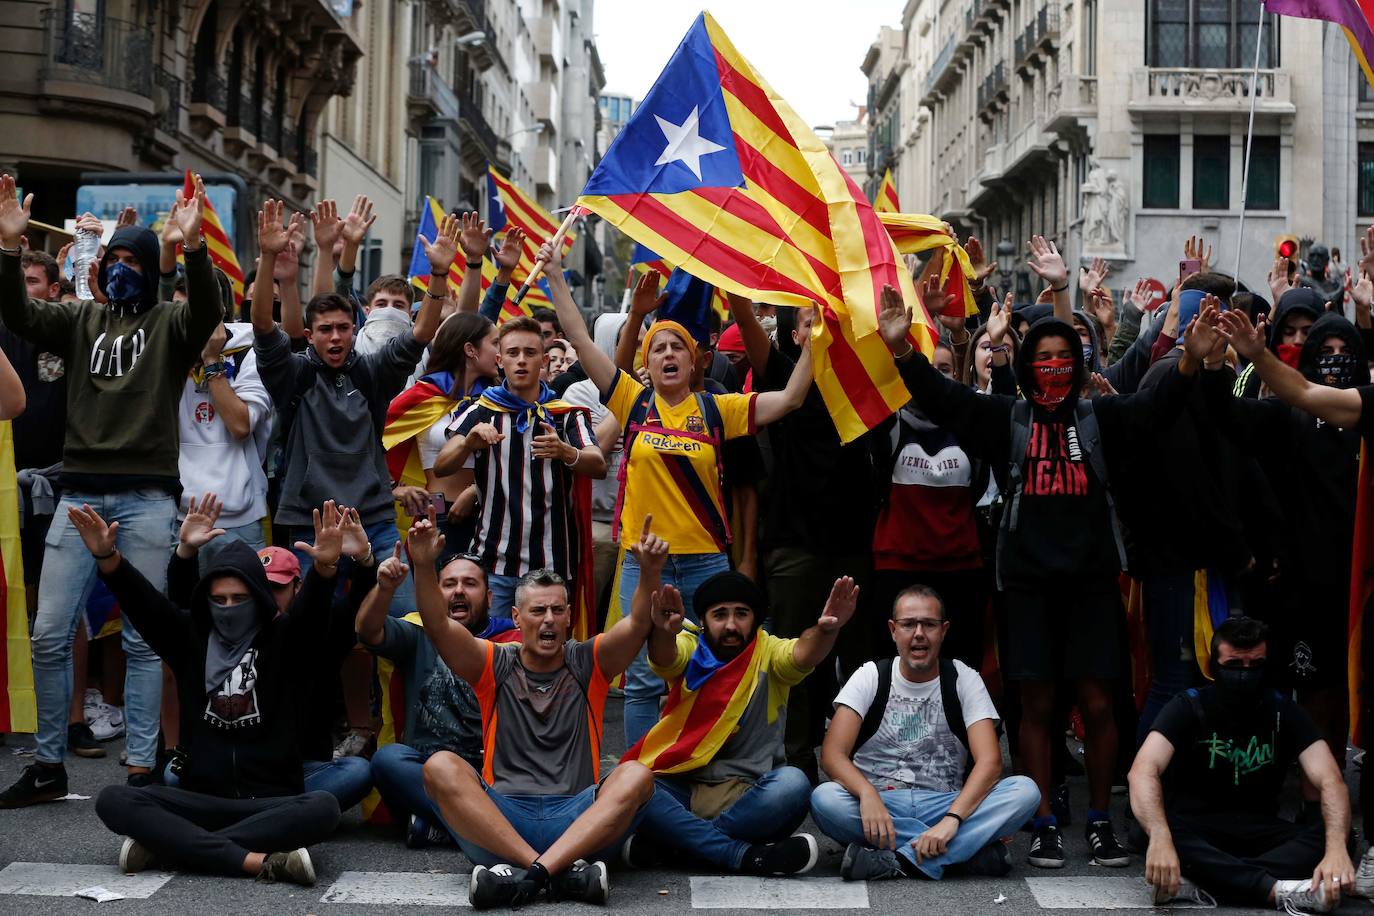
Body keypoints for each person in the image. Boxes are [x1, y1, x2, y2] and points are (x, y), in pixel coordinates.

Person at [875, 277, 1227, 869]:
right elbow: (943, 398)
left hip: (1091, 585)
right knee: (1033, 708)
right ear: (1026, 366)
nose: (1055, 368)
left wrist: (1190, 361)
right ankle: (1041, 820)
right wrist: (902, 350)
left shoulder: (1100, 419)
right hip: (1027, 588)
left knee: (1097, 704)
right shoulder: (1005, 419)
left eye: (1066, 358)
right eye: (1043, 359)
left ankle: (1097, 821)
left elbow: (1153, 409)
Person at [0, 174, 221, 804]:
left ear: (152, 272)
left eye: (134, 261)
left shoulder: (173, 325)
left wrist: (196, 249)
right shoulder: (80, 319)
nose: (123, 270)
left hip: (148, 500)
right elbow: (15, 312)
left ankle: (142, 767)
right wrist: (10, 250)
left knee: (144, 636)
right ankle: (47, 764)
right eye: (115, 259)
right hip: (77, 497)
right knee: (49, 632)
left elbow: (207, 311)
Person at [545, 240, 814, 746]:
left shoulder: (721, 409)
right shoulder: (632, 400)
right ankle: (642, 779)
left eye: (678, 349)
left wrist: (818, 337)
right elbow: (579, 339)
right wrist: (556, 275)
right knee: (644, 677)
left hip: (707, 565)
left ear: (695, 364)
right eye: (659, 349)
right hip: (641, 563)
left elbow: (793, 397)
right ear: (648, 363)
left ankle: (707, 762)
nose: (668, 355)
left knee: (713, 665)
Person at [78, 501, 350, 886]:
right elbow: (144, 604)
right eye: (218, 600)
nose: (228, 608)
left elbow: (311, 617)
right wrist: (108, 557)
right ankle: (256, 860)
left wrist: (323, 571)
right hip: (200, 800)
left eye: (239, 599)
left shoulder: (285, 641)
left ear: (259, 597)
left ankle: (170, 848)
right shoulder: (190, 637)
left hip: (270, 802)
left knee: (323, 808)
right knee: (114, 799)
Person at [414, 509, 657, 909]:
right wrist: (423, 565)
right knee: (439, 765)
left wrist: (648, 573)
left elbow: (636, 625)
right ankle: (556, 874)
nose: (548, 620)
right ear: (516, 617)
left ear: (568, 618)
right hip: (503, 821)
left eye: (557, 611)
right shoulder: (493, 662)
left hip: (578, 820)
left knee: (636, 774)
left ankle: (525, 878)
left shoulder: (589, 661)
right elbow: (438, 626)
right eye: (538, 610)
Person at [251, 200, 446, 614]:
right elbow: (264, 328)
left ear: (355, 330)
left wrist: (440, 275)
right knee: (312, 632)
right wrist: (269, 259)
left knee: (405, 620)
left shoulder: (373, 372)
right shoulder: (296, 376)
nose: (335, 336)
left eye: (343, 328)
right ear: (309, 334)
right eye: (325, 330)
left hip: (373, 521)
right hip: (310, 521)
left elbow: (422, 332)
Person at [622, 560, 859, 876]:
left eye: (741, 614)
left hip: (748, 795)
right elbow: (665, 657)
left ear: (756, 620)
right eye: (720, 615)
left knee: (793, 784)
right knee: (620, 783)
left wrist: (827, 630)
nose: (731, 625)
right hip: (682, 788)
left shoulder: (769, 652)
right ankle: (738, 854)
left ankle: (677, 843)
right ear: (704, 621)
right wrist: (664, 632)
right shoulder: (691, 645)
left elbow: (804, 652)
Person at [162, 495, 378, 812]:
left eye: (277, 587)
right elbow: (185, 612)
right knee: (173, 775)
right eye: (257, 587)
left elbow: (354, 608)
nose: (268, 595)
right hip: (228, 769)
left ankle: (243, 813)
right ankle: (271, 815)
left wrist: (364, 560)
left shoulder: (318, 630)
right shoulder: (223, 630)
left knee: (358, 772)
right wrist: (185, 553)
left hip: (296, 772)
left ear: (298, 586)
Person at [811, 584, 1040, 880]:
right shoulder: (870, 675)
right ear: (893, 630)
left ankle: (896, 860)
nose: (919, 633)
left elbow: (990, 763)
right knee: (824, 799)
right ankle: (961, 853)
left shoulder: (964, 679)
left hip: (945, 803)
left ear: (943, 631)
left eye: (929, 625)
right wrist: (867, 794)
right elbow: (831, 755)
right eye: (908, 624)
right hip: (880, 806)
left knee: (1024, 791)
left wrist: (951, 820)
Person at [1129, 617, 1354, 912]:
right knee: (1145, 832)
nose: (1245, 674)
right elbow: (1142, 771)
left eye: (1255, 666)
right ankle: (1276, 891)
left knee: (1343, 836)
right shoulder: (1188, 706)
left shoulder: (1283, 710)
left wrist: (1336, 849)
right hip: (1196, 828)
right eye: (1234, 666)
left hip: (1257, 829)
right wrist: (1160, 837)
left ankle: (1208, 881)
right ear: (1213, 666)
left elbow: (1331, 781)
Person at [434, 314, 605, 619]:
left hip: (551, 564)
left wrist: (567, 453)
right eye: (513, 353)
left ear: (543, 360)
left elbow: (597, 464)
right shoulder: (482, 410)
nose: (521, 361)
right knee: (492, 649)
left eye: (530, 353)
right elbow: (443, 465)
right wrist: (468, 443)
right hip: (493, 562)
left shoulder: (565, 414)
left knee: (548, 652)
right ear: (500, 361)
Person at [360, 550, 519, 848]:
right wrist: (384, 590)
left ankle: (445, 828)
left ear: (489, 597)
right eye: (449, 584)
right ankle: (489, 830)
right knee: (387, 761)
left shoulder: (514, 642)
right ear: (434, 594)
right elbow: (368, 631)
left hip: (492, 776)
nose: (459, 590)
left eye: (470, 583)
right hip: (428, 774)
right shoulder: (417, 633)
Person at [177, 321, 272, 550]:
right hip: (177, 515)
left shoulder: (247, 353)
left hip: (241, 518)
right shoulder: (167, 354)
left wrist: (211, 361)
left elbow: (240, 426)